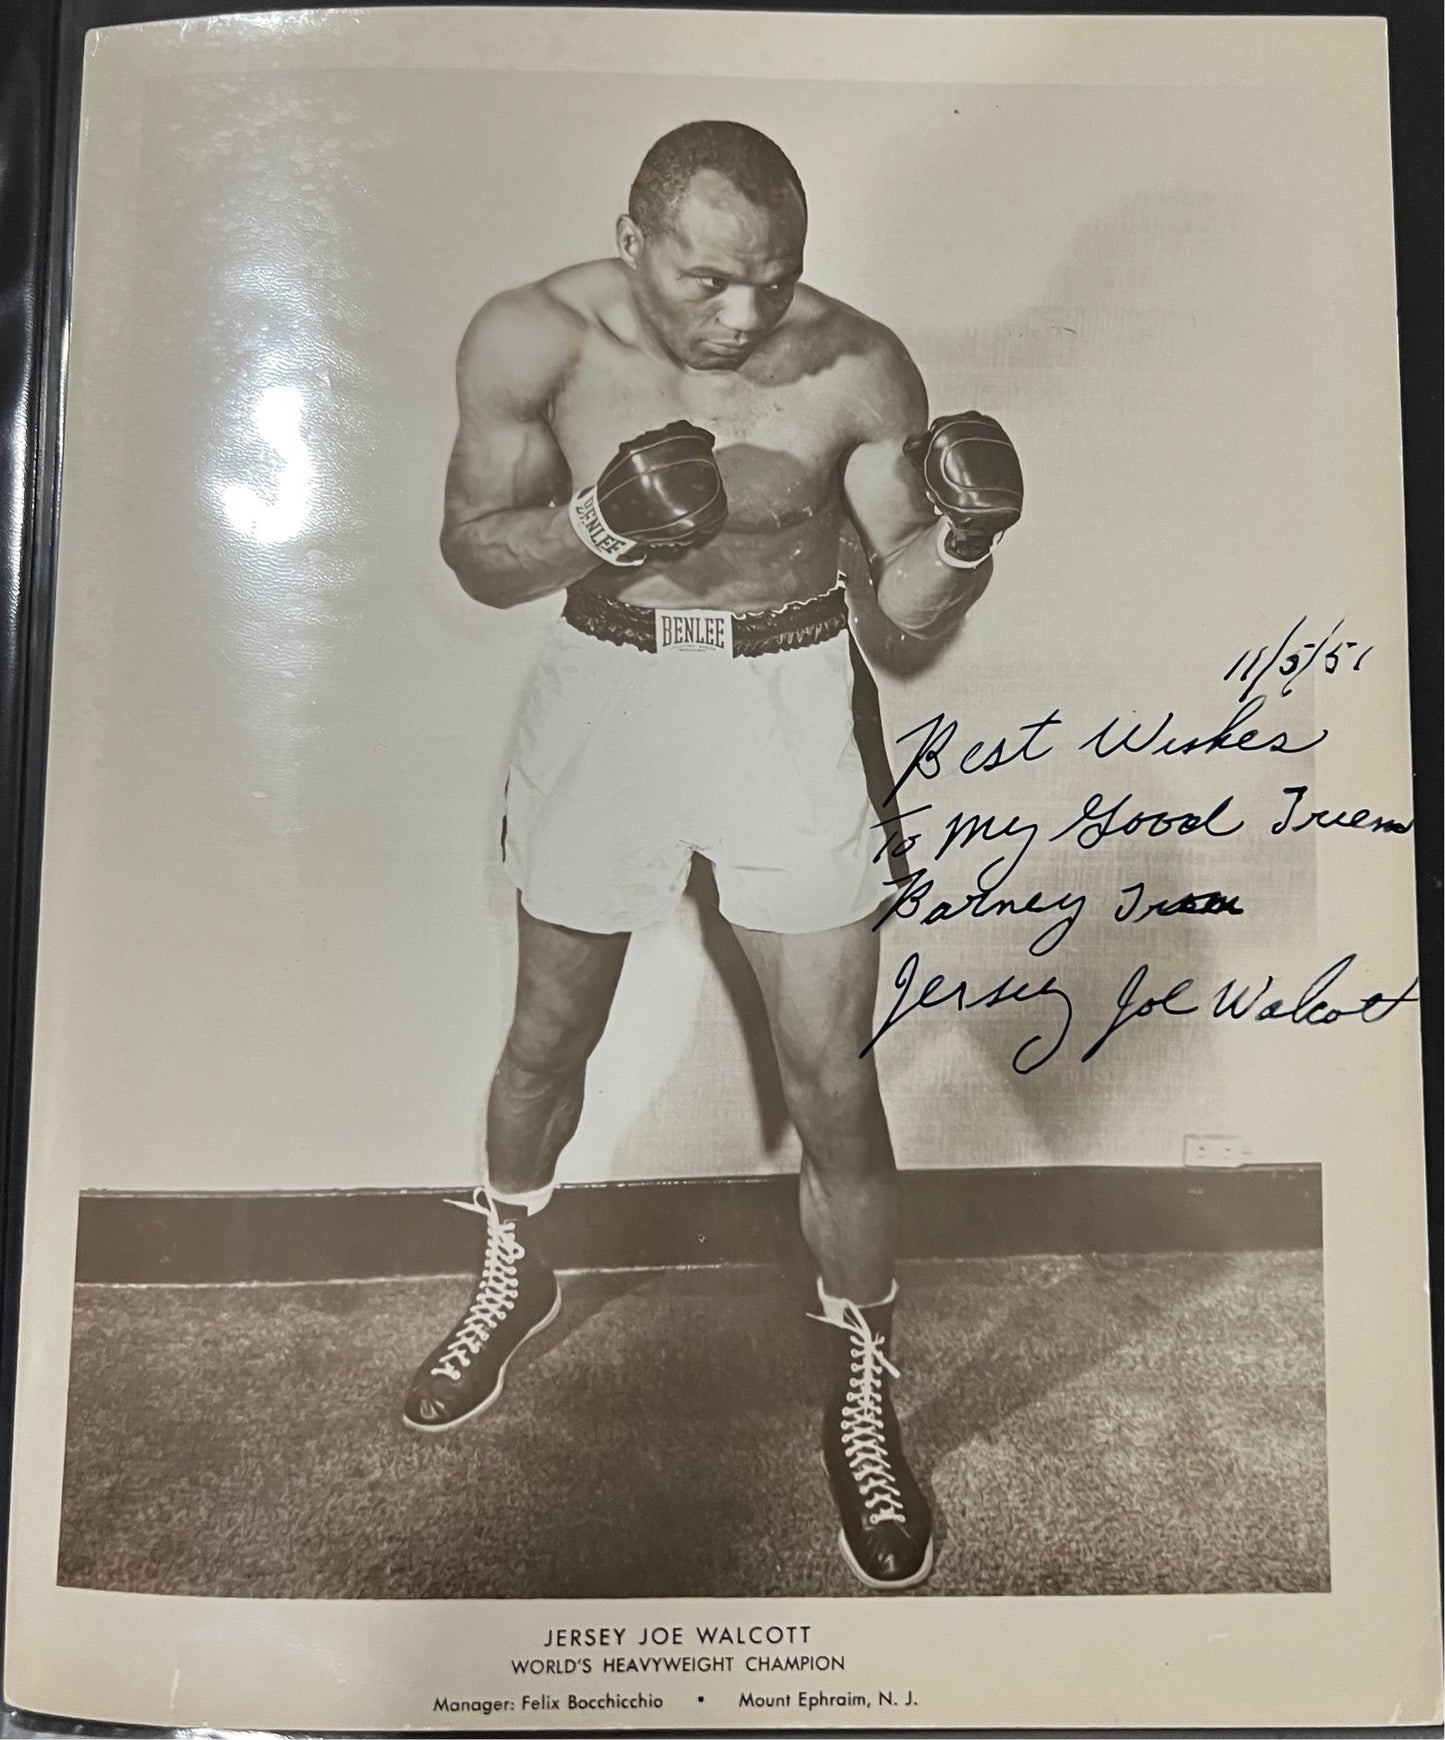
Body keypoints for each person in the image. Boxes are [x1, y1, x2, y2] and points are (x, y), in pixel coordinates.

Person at [405, 120, 1022, 1592]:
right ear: (632, 239)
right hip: (607, 683)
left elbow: (902, 619)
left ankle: (864, 1374)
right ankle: (512, 1261)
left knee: (834, 1078)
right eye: (707, 283)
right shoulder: (531, 338)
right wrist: (596, 523)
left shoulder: (858, 366)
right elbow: (473, 553)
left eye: (774, 280)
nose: (744, 317)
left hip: (786, 690)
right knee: (547, 1035)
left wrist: (968, 534)